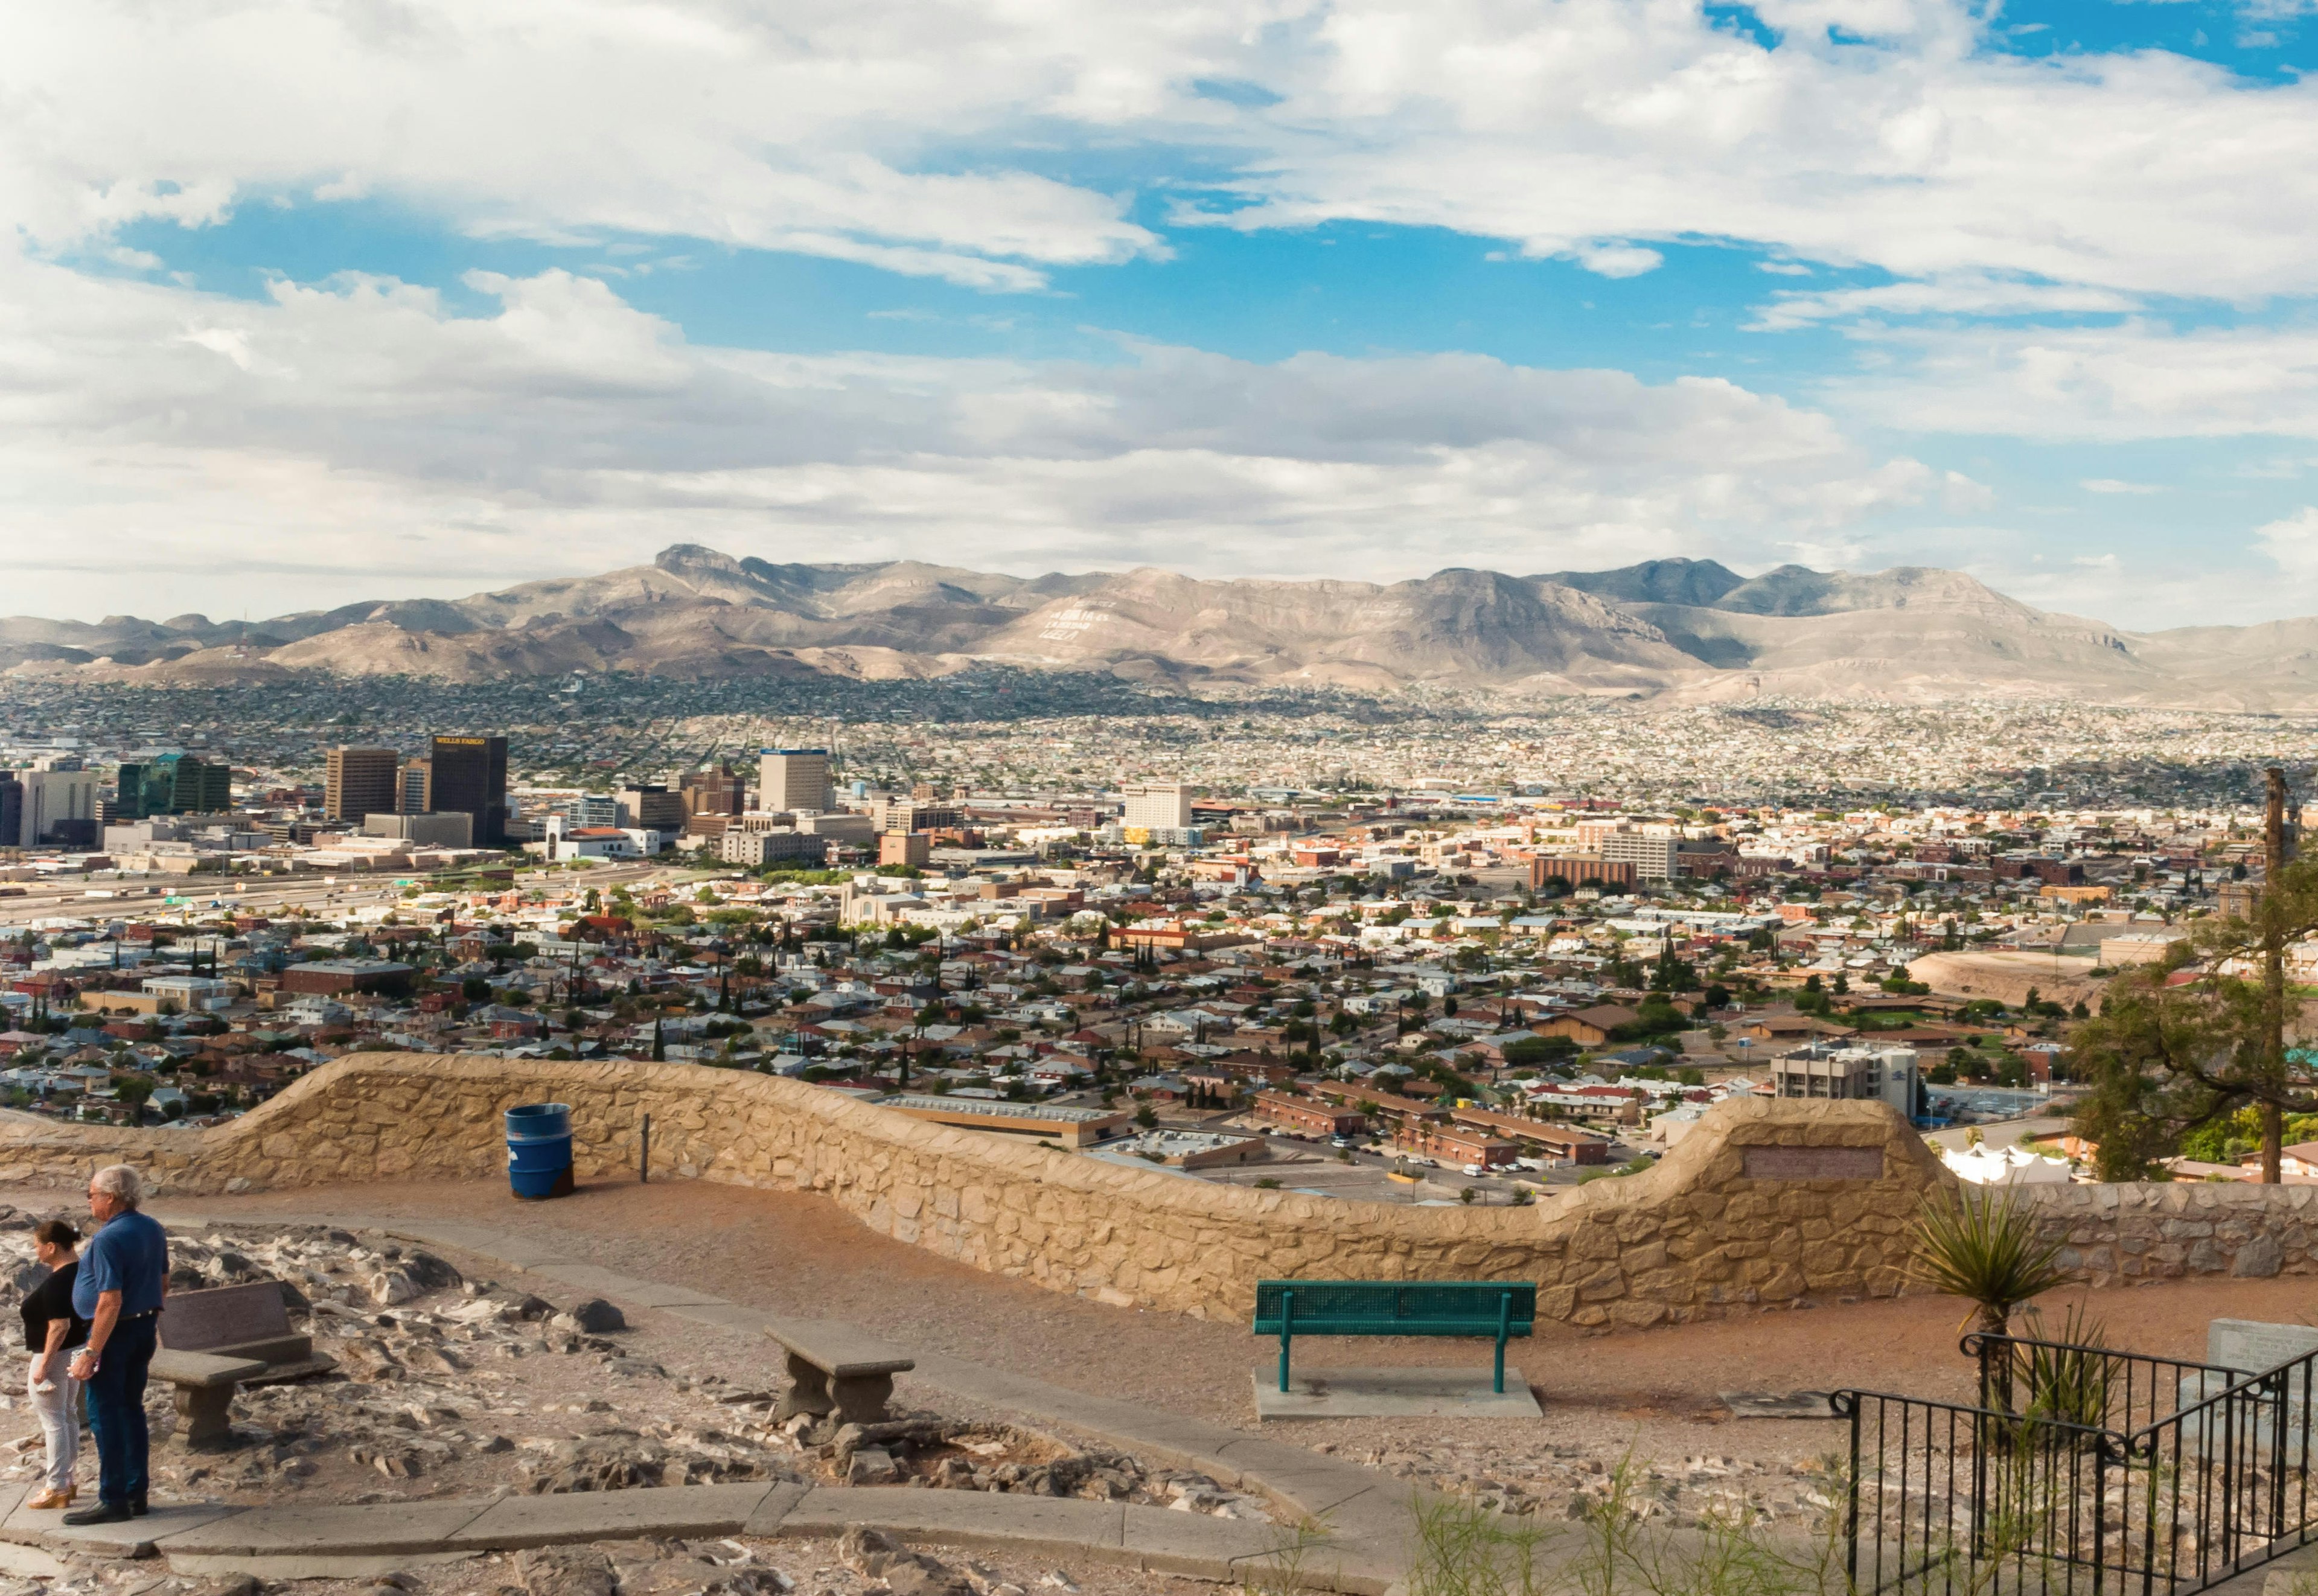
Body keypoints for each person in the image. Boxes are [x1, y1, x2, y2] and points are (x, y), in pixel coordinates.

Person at [64, 1166, 167, 1526]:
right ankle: (137, 1494)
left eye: (91, 1194)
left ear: (110, 1197)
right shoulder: (152, 1228)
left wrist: (91, 1352)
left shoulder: (108, 1239)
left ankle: (113, 1499)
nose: (89, 1200)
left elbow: (110, 1300)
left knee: (105, 1415)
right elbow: (163, 1281)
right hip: (142, 1328)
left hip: (114, 1333)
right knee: (131, 1410)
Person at [19, 1219, 88, 1510]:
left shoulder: (60, 1281)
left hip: (56, 1354)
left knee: (54, 1421)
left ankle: (56, 1486)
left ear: (52, 1247)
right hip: (75, 1349)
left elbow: (59, 1326)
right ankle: (67, 1482)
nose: (35, 1251)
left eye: (37, 1246)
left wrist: (43, 1366)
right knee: (68, 1415)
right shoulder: (80, 1271)